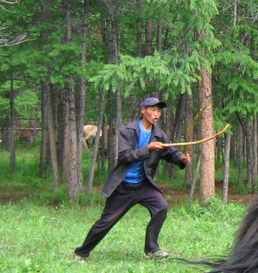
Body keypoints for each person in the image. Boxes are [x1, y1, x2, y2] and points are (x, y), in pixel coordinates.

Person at [73, 96, 190, 261]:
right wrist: (147, 149)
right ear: (143, 110)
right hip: (123, 186)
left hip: (143, 185)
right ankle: (81, 252)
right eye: (153, 110)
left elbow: (169, 151)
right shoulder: (128, 131)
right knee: (106, 221)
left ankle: (151, 249)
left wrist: (181, 159)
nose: (156, 114)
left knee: (161, 207)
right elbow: (125, 156)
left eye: (159, 111)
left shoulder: (159, 134)